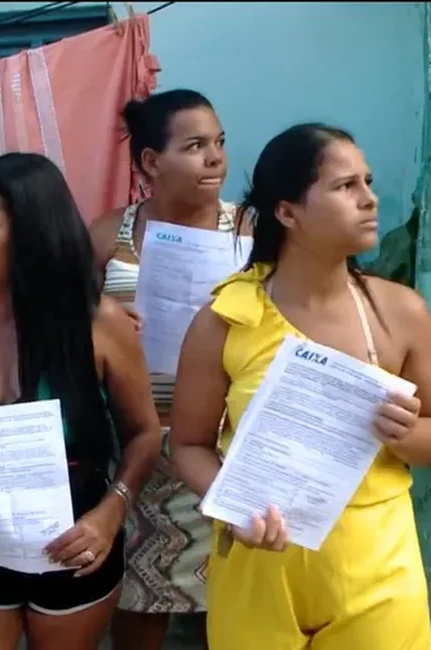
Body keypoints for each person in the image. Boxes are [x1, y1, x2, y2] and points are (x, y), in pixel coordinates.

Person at [170, 123, 431, 649]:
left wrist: (406, 436)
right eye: (344, 186)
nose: (369, 198)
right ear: (287, 213)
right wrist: (234, 506)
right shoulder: (225, 318)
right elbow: (188, 444)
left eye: (368, 181)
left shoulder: (400, 312)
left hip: (374, 562)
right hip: (259, 560)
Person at [0, 152, 161, 650]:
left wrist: (112, 513)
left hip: (74, 534)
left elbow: (144, 434)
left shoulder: (99, 323)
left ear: (33, 231)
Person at [89, 88, 244, 649]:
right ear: (152, 161)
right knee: (141, 599)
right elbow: (68, 334)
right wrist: (106, 330)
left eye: (220, 143)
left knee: (233, 603)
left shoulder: (251, 232)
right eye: (196, 145)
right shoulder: (110, 235)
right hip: (140, 445)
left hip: (227, 446)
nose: (215, 158)